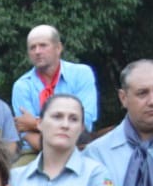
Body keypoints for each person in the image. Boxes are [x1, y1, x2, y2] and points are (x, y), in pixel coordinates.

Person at [12, 24, 100, 154]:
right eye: (32, 48)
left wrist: (36, 123)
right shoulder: (22, 86)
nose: (37, 51)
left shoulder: (81, 74)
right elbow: (26, 133)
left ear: (58, 48)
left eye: (43, 45)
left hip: (79, 147)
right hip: (36, 152)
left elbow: (84, 124)